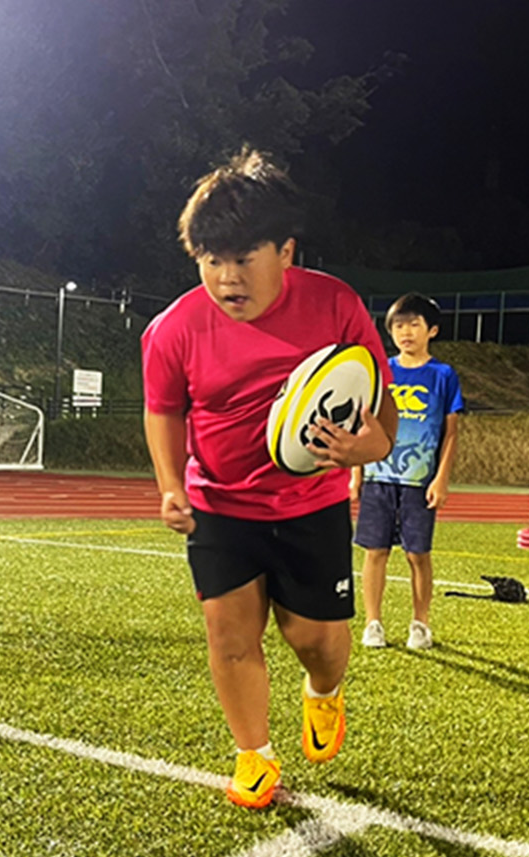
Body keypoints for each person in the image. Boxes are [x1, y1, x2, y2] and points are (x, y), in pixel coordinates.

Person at [141, 150, 397, 810]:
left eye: (244, 259)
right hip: (219, 506)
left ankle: (323, 693)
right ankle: (253, 754)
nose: (227, 279)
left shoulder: (335, 304)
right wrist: (171, 484)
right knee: (230, 638)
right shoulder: (173, 329)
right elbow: (165, 408)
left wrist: (372, 443)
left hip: (310, 503)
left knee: (314, 639)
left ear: (285, 250)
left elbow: (379, 399)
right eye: (211, 261)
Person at [351, 293, 464, 650]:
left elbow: (452, 432)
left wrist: (442, 477)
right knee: (375, 552)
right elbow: (362, 424)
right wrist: (355, 475)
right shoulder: (380, 371)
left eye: (414, 324)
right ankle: (373, 623)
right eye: (398, 325)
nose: (405, 332)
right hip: (378, 477)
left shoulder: (443, 375)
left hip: (419, 480)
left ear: (432, 330)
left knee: (418, 554)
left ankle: (420, 623)